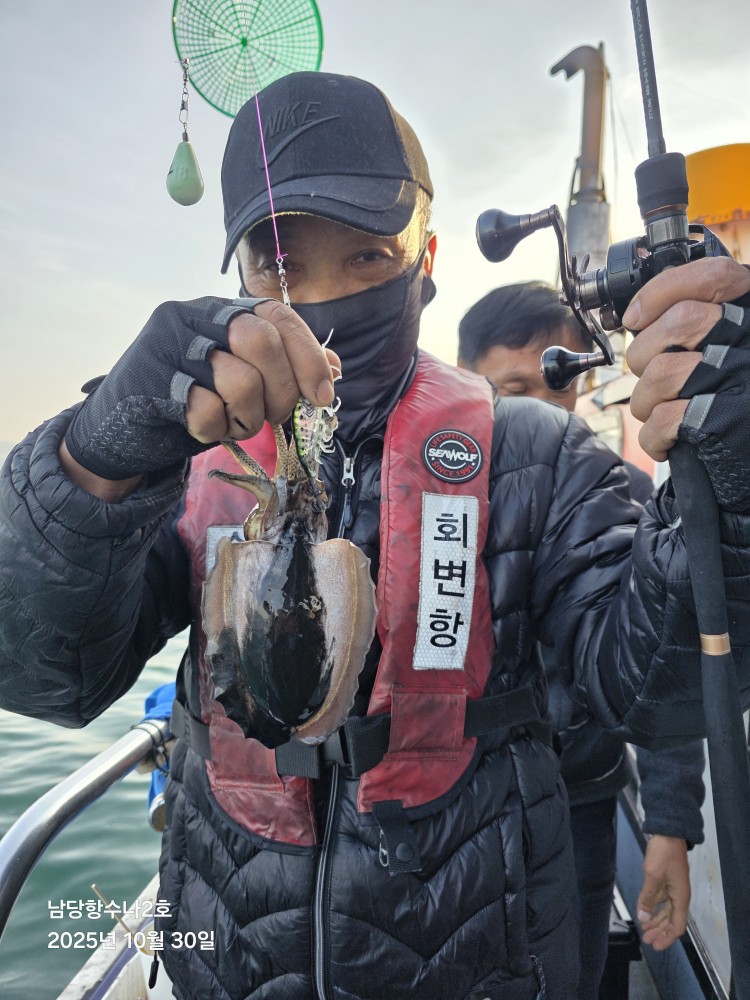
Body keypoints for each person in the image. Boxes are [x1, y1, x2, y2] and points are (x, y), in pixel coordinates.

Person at [1, 70, 750, 1000]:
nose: (321, 297)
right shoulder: (183, 468)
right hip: (230, 951)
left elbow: (658, 694)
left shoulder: (540, 453)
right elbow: (45, 678)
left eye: (365, 257)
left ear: (425, 259)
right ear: (241, 279)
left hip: (483, 955)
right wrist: (91, 465)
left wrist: (734, 489)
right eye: (280, 263)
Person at [457, 281, 706, 999]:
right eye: (512, 389)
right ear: (464, 380)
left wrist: (669, 827)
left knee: (575, 976)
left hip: (584, 803)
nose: (540, 408)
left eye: (557, 384)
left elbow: (663, 669)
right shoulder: (426, 502)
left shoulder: (628, 497)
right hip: (459, 809)